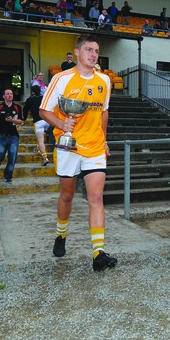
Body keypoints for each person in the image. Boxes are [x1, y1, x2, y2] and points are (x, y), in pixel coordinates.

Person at [39, 34, 117, 272]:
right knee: (67, 195)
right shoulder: (61, 79)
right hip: (68, 146)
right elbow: (44, 110)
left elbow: (103, 113)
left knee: (96, 197)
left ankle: (98, 253)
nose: (94, 54)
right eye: (89, 50)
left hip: (94, 146)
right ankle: (61, 234)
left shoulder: (104, 81)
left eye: (97, 51)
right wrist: (62, 125)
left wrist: (103, 140)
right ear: (78, 52)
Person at [0, 88, 24, 183]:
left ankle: (8, 176)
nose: (10, 95)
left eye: (11, 94)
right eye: (7, 94)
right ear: (4, 96)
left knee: (12, 158)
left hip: (14, 136)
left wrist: (13, 121)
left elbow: (21, 121)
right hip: (1, 136)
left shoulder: (17, 107)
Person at [23, 85, 51, 166]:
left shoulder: (30, 99)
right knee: (40, 137)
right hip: (47, 121)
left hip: (38, 122)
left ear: (32, 91)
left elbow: (25, 110)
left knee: (41, 140)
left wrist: (23, 119)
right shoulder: (44, 98)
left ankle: (45, 157)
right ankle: (38, 150)